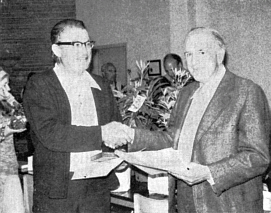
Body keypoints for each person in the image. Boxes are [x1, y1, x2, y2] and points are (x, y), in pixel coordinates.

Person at [109, 27, 271, 213]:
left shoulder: (246, 91)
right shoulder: (187, 93)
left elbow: (258, 156)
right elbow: (171, 139)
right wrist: (131, 135)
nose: (193, 62)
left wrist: (209, 173)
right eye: (189, 54)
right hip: (186, 204)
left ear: (220, 54)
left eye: (201, 52)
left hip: (228, 205)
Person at [23, 19, 131, 213]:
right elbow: (51, 133)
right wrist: (101, 134)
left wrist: (120, 152)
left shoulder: (101, 85)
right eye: (76, 44)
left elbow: (116, 125)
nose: (85, 51)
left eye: (88, 44)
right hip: (58, 193)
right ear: (56, 50)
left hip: (97, 190)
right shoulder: (40, 85)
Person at [0, 67, 26, 213]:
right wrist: (6, 131)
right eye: (4, 84)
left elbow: (22, 122)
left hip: (9, 169)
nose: (8, 88)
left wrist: (13, 101)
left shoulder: (4, 105)